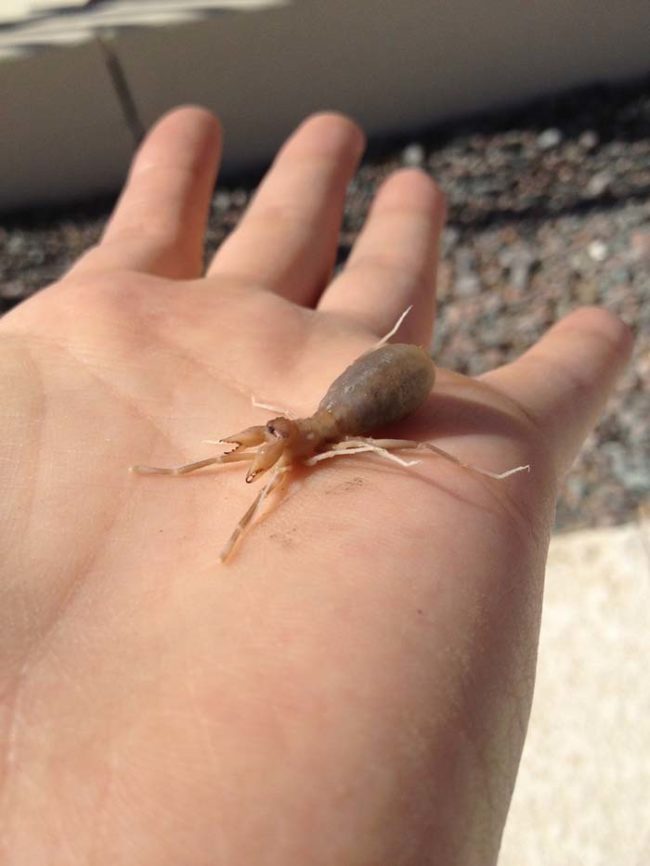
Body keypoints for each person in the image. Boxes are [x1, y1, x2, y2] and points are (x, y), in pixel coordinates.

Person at [0, 107, 632, 864]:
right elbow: (264, 440)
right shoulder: (289, 431)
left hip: (364, 397)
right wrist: (177, 468)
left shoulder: (331, 438)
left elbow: (310, 455)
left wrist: (236, 529)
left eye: (273, 442)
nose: (269, 452)